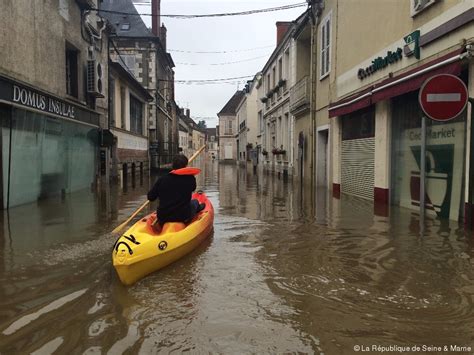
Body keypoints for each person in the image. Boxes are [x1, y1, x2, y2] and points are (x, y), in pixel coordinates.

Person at [147, 155, 205, 226]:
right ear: (185, 166)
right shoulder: (190, 178)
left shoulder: (162, 179)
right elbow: (193, 188)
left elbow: (150, 197)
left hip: (163, 217)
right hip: (183, 216)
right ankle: (199, 207)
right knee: (195, 202)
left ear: (172, 165)